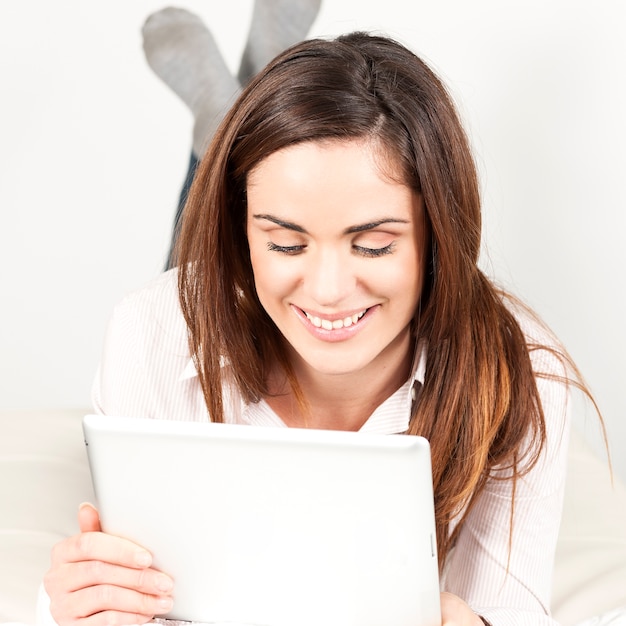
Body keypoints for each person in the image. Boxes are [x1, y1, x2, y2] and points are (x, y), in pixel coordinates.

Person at [42, 31, 602, 626]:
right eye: (286, 241)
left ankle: (228, 111)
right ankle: (221, 119)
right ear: (246, 237)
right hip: (222, 295)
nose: (329, 289)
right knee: (199, 216)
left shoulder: (524, 371)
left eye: (373, 245)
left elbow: (505, 609)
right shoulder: (151, 329)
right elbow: (134, 588)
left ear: (437, 238)